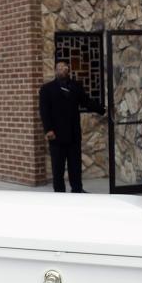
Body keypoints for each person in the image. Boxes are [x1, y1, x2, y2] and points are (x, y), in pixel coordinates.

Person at [38, 60, 106, 193]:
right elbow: (44, 111)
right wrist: (48, 130)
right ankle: (59, 193)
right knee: (58, 167)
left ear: (68, 70)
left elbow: (86, 102)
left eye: (65, 67)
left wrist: (102, 110)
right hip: (56, 135)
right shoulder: (46, 89)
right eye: (59, 68)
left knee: (75, 165)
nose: (62, 69)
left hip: (73, 134)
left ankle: (77, 190)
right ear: (55, 71)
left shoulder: (76, 86)